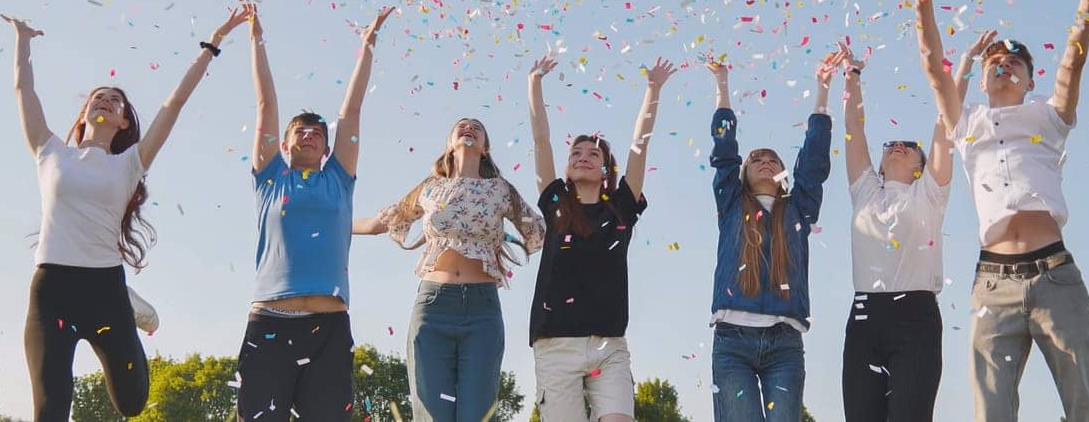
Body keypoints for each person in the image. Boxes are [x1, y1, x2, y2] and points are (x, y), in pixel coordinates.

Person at [3, 4, 250, 422]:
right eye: (100, 97)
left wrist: (215, 42)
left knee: (132, 403)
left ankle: (129, 304)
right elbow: (24, 93)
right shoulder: (50, 151)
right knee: (49, 410)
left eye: (116, 101)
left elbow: (176, 102)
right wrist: (23, 42)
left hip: (104, 290)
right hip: (52, 289)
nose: (107, 100)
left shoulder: (130, 163)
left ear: (121, 123)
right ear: (85, 114)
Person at [901, 0, 1089, 422]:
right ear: (982, 78)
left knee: (1087, 408)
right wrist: (923, 0)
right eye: (995, 59)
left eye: (1015, 62)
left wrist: (1087, 3)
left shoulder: (1049, 116)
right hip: (993, 284)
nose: (1003, 63)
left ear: (1028, 79)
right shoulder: (966, 121)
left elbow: (1071, 67)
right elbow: (934, 67)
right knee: (991, 413)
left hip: (1055, 278)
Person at [234, 4, 394, 421]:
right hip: (270, 321)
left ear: (326, 149)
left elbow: (351, 112)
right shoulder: (270, 179)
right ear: (284, 146)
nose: (309, 135)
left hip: (329, 328)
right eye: (299, 132)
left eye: (317, 133)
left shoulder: (338, 180)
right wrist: (256, 37)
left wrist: (368, 45)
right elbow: (265, 102)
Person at [354, 117, 547, 421]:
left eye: (478, 127)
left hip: (482, 312)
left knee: (476, 414)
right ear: (449, 143)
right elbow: (383, 222)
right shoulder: (431, 189)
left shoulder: (501, 190)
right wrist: (331, 221)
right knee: (431, 414)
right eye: (462, 125)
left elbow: (541, 231)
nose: (469, 128)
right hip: (433, 309)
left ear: (485, 148)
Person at [527, 55, 676, 422]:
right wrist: (534, 83)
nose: (583, 157)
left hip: (609, 345)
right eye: (576, 153)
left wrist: (653, 89)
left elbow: (640, 144)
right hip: (556, 343)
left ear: (607, 169)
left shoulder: (621, 207)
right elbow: (541, 138)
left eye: (593, 153)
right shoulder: (556, 203)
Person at [706, 57, 832, 422]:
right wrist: (723, 85)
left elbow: (814, 160)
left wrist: (822, 90)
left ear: (783, 175)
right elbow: (725, 150)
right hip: (732, 340)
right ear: (743, 173)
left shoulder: (799, 209)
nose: (764, 161)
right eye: (756, 159)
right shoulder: (731, 203)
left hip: (785, 343)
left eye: (773, 159)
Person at [831, 41, 951, 422]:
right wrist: (852, 74)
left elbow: (945, 128)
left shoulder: (929, 194)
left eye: (909, 146)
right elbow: (853, 127)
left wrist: (947, 78)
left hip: (916, 317)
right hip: (865, 316)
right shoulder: (865, 190)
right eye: (892, 144)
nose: (898, 145)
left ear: (921, 166)